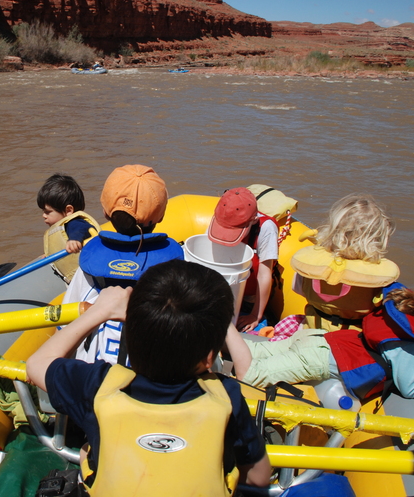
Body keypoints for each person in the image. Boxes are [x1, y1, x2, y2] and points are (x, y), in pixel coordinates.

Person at [27, 260, 272, 495]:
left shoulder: (98, 385)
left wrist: (100, 312)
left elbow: (37, 364)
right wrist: (216, 320)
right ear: (208, 358)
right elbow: (259, 477)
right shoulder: (226, 396)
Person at [227, 280, 414, 401]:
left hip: (322, 340)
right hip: (320, 358)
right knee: (251, 374)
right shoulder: (411, 345)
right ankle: (224, 325)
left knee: (254, 350)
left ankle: (213, 338)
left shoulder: (409, 312)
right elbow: (410, 388)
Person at [62, 164, 184, 365]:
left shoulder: (89, 267)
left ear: (105, 212)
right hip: (152, 368)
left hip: (96, 370)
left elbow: (66, 322)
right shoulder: (174, 265)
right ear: (161, 216)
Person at [291, 193, 399, 331]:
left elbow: (298, 289)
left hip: (312, 330)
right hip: (352, 341)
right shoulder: (379, 276)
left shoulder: (312, 264)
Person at [208, 187, 279, 332]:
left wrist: (255, 315)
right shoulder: (221, 216)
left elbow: (264, 274)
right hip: (222, 287)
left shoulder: (266, 229)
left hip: (249, 296)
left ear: (253, 220)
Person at [38, 174, 101, 283]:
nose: (44, 215)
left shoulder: (74, 222)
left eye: (48, 212)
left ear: (68, 211)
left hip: (88, 280)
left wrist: (75, 239)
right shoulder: (64, 227)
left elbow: (81, 228)